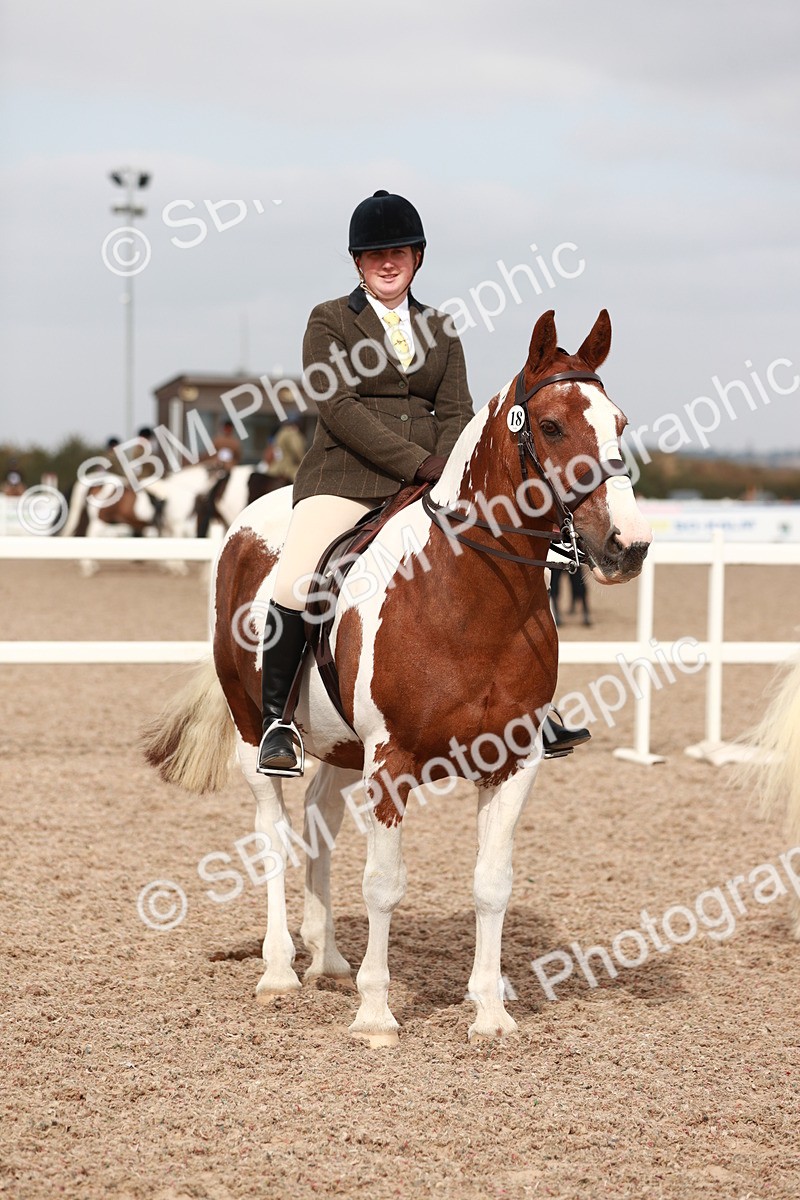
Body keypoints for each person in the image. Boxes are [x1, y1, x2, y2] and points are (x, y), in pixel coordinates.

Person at [257, 189, 586, 776]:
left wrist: (448, 464)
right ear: (358, 262)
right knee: (299, 575)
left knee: (503, 566)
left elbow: (457, 409)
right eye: (376, 253)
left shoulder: (440, 327)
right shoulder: (329, 320)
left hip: (432, 481)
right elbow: (339, 407)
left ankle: (532, 704)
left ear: (417, 258)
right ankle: (277, 720)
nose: (389, 262)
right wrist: (417, 462)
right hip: (346, 479)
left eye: (400, 251)